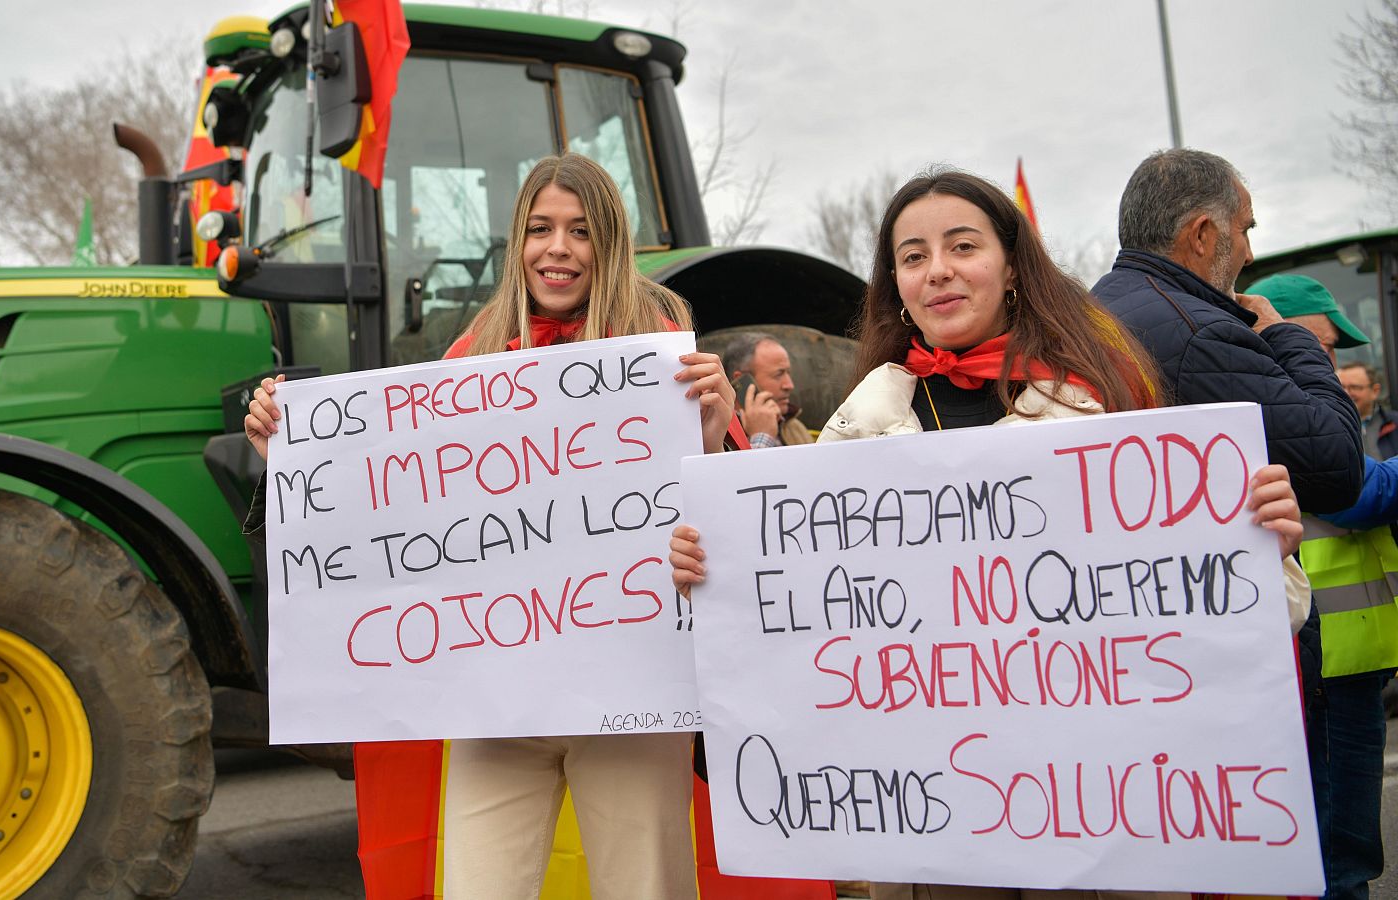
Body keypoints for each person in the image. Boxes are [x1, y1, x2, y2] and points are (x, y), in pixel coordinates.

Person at [669, 168, 1307, 900]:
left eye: (963, 246)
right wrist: (713, 576)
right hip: (935, 821)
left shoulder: (1108, 407)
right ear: (897, 285)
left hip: (1100, 813)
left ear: (1012, 268)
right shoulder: (854, 434)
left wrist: (1260, 545)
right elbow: (795, 630)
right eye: (913, 257)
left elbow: (1220, 613)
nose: (938, 270)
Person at [246, 152, 735, 900]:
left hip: (630, 692)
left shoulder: (662, 345)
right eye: (540, 229)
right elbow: (399, 501)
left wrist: (714, 435)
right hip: (498, 700)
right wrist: (294, 452)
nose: (558, 248)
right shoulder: (471, 355)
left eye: (581, 230)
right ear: (518, 241)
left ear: (610, 241)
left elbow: (722, 521)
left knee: (645, 887)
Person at [1091, 148, 1363, 515]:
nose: (1248, 254)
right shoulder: (1203, 336)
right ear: (1202, 235)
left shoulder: (1088, 311)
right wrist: (1284, 333)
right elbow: (1339, 467)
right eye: (1244, 230)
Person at [1253, 274, 1396, 900]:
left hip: (1344, 664)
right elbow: (1361, 493)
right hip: (1326, 669)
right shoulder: (1286, 419)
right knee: (1339, 859)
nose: (1330, 367)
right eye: (1321, 348)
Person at [722, 331, 814, 447]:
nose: (789, 385)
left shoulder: (795, 427)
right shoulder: (720, 434)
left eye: (788, 373)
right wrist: (762, 435)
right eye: (778, 374)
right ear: (741, 380)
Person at [1336, 362, 1398, 460]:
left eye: (1354, 387)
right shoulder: (1327, 426)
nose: (1346, 393)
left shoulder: (1395, 423)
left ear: (1375, 391)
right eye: (1341, 387)